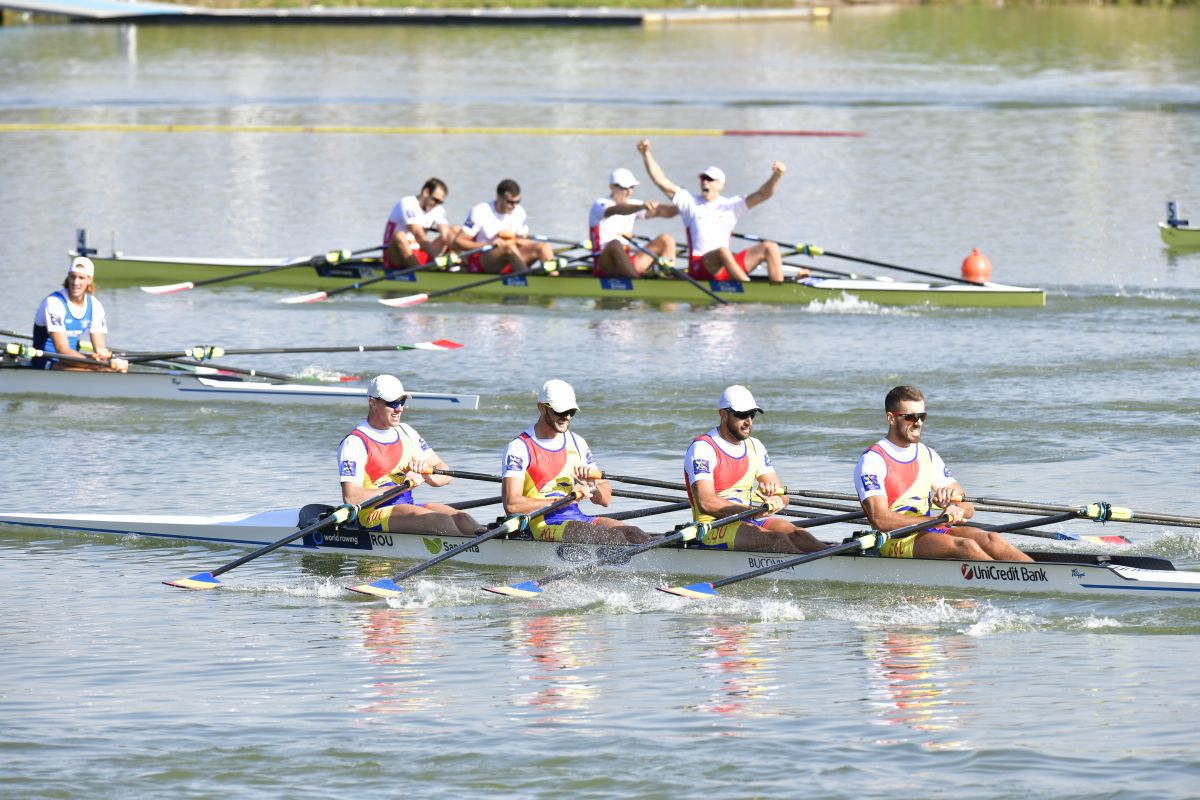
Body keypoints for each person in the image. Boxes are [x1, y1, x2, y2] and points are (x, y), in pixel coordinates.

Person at [854, 385, 1033, 562]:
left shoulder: (927, 454)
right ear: (891, 418)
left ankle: (1038, 575)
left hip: (930, 529)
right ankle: (1002, 578)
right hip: (892, 539)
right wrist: (935, 519)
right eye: (910, 417)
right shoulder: (873, 460)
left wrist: (953, 505)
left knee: (992, 539)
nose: (918, 423)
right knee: (965, 546)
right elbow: (880, 519)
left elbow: (969, 508)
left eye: (922, 416)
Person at [638, 138, 808, 284]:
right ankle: (747, 288)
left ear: (721, 185)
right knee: (723, 251)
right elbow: (661, 181)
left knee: (770, 247)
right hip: (700, 267)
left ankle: (778, 289)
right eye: (703, 178)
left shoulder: (732, 205)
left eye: (710, 179)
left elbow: (763, 194)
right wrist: (646, 154)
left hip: (725, 266)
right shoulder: (690, 203)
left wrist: (777, 176)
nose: (705, 182)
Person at [501, 379, 649, 545]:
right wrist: (562, 501)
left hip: (577, 518)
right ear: (541, 407)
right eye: (560, 411)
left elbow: (606, 499)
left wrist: (593, 487)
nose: (566, 417)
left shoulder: (578, 443)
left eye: (571, 412)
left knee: (636, 535)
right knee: (610, 538)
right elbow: (512, 505)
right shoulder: (519, 447)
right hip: (541, 524)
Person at [684, 385, 826, 553]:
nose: (748, 422)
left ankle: (831, 563)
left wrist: (775, 499)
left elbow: (783, 496)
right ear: (723, 414)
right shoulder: (703, 448)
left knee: (799, 535)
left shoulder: (755, 446)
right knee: (777, 540)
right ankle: (808, 569)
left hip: (749, 519)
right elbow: (706, 502)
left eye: (752, 414)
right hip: (712, 526)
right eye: (742, 415)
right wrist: (753, 512)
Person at [337, 375, 481, 536]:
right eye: (392, 403)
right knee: (441, 522)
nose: (399, 408)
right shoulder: (355, 442)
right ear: (373, 402)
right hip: (372, 513)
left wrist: (426, 473)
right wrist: (403, 486)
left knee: (463, 519)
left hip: (406, 507)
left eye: (402, 401)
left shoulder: (406, 432)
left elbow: (446, 474)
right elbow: (352, 497)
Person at [31, 256, 128, 372]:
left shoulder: (95, 306)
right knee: (104, 369)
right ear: (68, 277)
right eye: (72, 277)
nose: (75, 282)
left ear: (89, 280)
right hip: (46, 361)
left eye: (81, 278)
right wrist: (100, 364)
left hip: (72, 360)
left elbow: (99, 350)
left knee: (115, 369)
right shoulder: (54, 303)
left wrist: (104, 358)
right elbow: (62, 351)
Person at [588, 167, 678, 279]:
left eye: (632, 187)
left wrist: (684, 207)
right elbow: (617, 210)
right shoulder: (600, 204)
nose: (629, 192)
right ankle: (637, 282)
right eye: (624, 188)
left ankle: (668, 277)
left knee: (666, 239)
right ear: (612, 187)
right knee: (615, 244)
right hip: (605, 263)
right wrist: (640, 207)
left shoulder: (633, 204)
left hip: (626, 261)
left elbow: (662, 211)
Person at [454, 179, 556, 274]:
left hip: (513, 257)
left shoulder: (519, 212)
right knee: (508, 248)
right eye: (510, 202)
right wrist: (488, 244)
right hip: (483, 258)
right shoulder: (480, 211)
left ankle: (554, 277)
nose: (514, 206)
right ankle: (528, 280)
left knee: (543, 246)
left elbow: (527, 242)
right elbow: (459, 241)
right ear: (498, 197)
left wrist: (513, 239)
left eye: (517, 202)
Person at [381, 178, 459, 270]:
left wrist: (462, 248)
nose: (436, 204)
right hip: (396, 256)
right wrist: (436, 257)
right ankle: (420, 272)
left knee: (455, 230)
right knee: (400, 236)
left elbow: (446, 234)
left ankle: (463, 264)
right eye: (435, 200)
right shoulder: (407, 203)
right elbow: (417, 233)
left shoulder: (438, 209)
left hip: (419, 253)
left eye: (440, 202)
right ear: (426, 192)